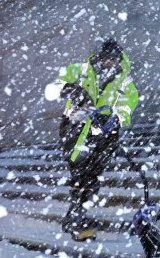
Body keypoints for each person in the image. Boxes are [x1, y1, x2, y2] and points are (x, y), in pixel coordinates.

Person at [54, 38, 139, 241]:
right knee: (79, 170)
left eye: (115, 59)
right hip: (75, 127)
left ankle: (75, 215)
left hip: (105, 135)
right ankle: (78, 217)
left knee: (93, 175)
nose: (111, 62)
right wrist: (72, 90)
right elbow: (56, 85)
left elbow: (128, 106)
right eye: (107, 57)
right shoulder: (81, 70)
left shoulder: (125, 81)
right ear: (100, 57)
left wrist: (114, 118)